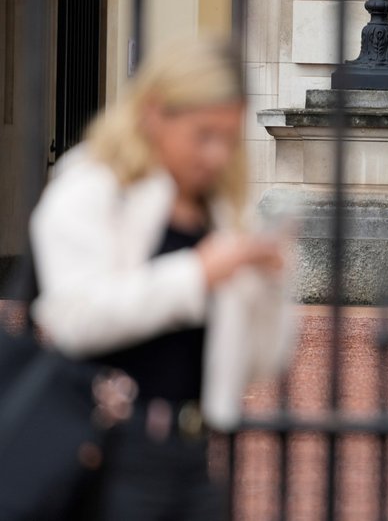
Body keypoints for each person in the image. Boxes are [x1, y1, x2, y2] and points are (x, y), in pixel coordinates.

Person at [29, 37, 295, 519]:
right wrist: (198, 275)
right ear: (155, 113)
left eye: (228, 139)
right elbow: (74, 317)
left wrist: (268, 286)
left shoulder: (218, 207)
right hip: (104, 450)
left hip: (191, 452)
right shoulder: (93, 184)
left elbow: (259, 362)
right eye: (203, 134)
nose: (216, 155)